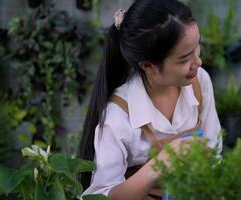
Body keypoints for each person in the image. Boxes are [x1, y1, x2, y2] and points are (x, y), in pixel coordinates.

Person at [80, 0, 221, 199]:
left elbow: (213, 148)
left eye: (197, 47)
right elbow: (102, 195)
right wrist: (159, 164)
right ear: (148, 65)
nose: (198, 62)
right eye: (184, 58)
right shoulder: (119, 115)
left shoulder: (199, 82)